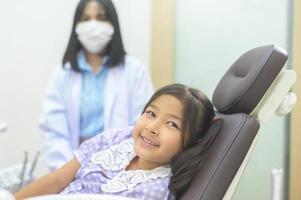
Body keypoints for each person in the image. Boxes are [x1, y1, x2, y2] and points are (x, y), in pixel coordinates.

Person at [15, 84, 217, 200]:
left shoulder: (156, 190)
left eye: (172, 124)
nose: (152, 127)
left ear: (192, 142)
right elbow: (58, 179)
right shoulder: (118, 138)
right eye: (151, 113)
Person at [41, 0, 153, 171]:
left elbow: (140, 125)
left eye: (101, 18)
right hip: (69, 166)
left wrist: (116, 166)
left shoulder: (134, 71)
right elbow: (54, 131)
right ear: (76, 26)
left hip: (120, 165)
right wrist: (65, 170)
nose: (93, 26)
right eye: (86, 19)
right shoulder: (63, 74)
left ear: (112, 24)